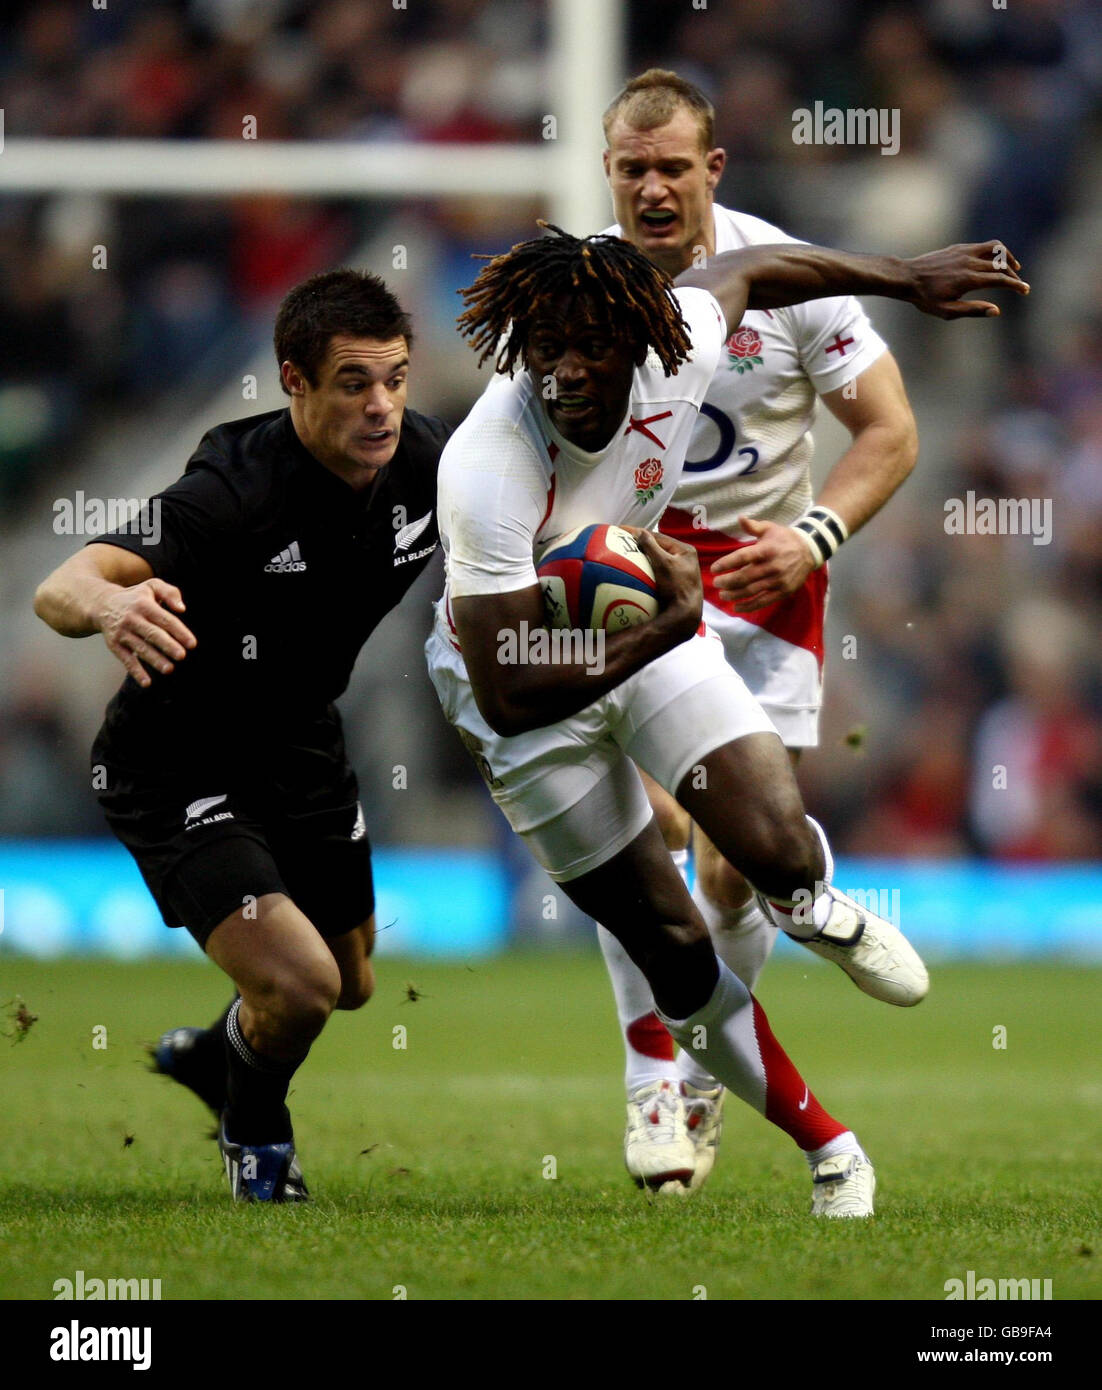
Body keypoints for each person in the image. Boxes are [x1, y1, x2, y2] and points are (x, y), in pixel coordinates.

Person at [425, 224, 1026, 1215]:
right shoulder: (485, 470)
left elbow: (751, 269)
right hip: (523, 691)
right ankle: (831, 1149)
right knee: (672, 944)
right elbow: (506, 688)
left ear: (641, 339)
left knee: (773, 847)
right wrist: (665, 626)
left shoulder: (683, 337)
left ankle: (807, 901)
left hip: (636, 623)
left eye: (589, 347)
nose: (565, 370)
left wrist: (903, 277)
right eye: (545, 348)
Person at [595, 69, 943, 1190]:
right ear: (609, 171)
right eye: (629, 168)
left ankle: (711, 1051)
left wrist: (816, 534)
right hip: (632, 590)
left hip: (765, 583)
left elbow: (889, 430)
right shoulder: (575, 288)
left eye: (670, 167)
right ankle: (656, 1083)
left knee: (734, 871)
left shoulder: (786, 279)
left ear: (712, 169)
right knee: (642, 833)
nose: (651, 188)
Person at [33, 270, 450, 1203]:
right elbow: (59, 584)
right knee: (298, 985)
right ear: (294, 380)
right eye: (353, 382)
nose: (381, 406)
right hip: (176, 759)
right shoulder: (233, 488)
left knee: (351, 985)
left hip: (301, 744)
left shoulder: (431, 462)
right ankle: (257, 1140)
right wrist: (109, 601)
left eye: (395, 378)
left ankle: (221, 1060)